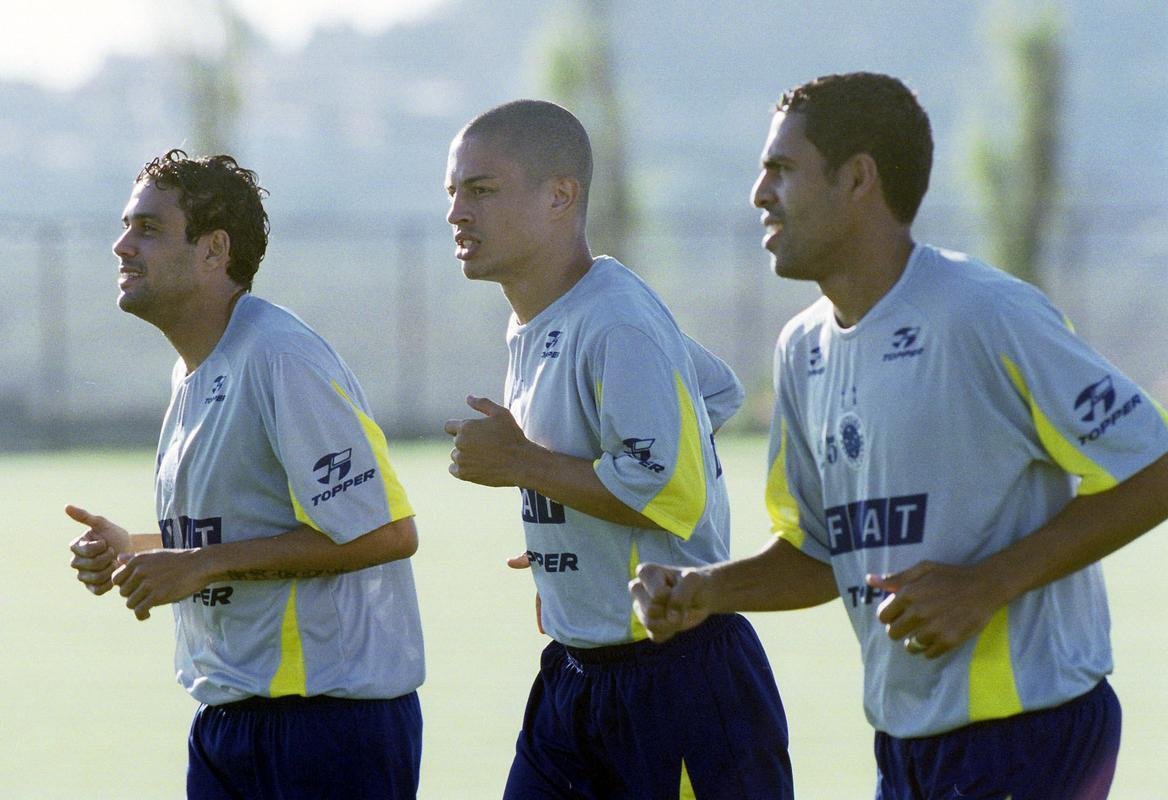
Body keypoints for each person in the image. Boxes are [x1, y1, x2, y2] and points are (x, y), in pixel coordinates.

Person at [630, 71, 1168, 799]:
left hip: (1031, 735)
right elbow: (821, 554)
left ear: (857, 179)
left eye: (781, 170)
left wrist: (988, 585)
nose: (759, 195)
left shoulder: (983, 312)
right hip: (904, 747)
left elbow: (1154, 465)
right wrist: (705, 590)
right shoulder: (801, 350)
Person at [442, 99, 794, 799]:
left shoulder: (615, 319)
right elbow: (714, 393)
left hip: (680, 681)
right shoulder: (547, 318)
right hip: (575, 677)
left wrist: (519, 464)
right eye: (452, 193)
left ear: (560, 196)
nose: (457, 213)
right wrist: (574, 535)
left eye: (481, 191)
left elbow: (670, 489)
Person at [67, 150, 425, 799]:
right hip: (227, 725)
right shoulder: (192, 371)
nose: (121, 245)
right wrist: (141, 552)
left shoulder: (280, 357)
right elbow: (242, 537)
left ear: (213, 250)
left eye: (148, 228)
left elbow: (386, 533)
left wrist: (200, 566)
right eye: (126, 225)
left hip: (328, 725)